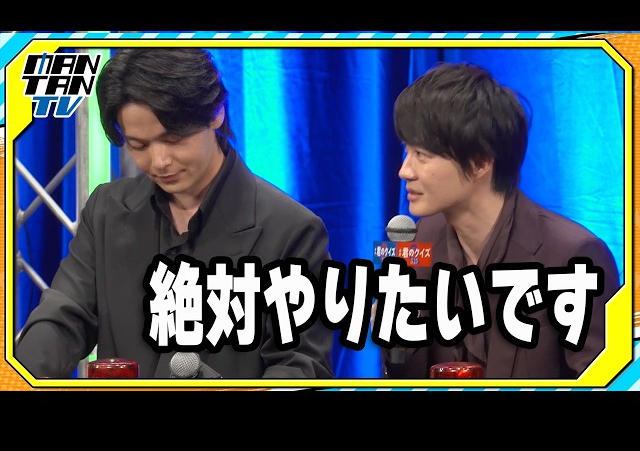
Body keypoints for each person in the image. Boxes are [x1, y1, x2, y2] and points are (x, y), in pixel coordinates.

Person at [14, 48, 334, 380]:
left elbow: (299, 367)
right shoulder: (107, 210)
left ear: (216, 113)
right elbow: (64, 317)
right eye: (139, 145)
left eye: (174, 138)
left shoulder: (290, 229)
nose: (159, 162)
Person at [377, 62, 619, 379]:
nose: (404, 171)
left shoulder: (573, 255)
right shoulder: (419, 242)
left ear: (480, 161)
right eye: (407, 151)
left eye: (422, 155)